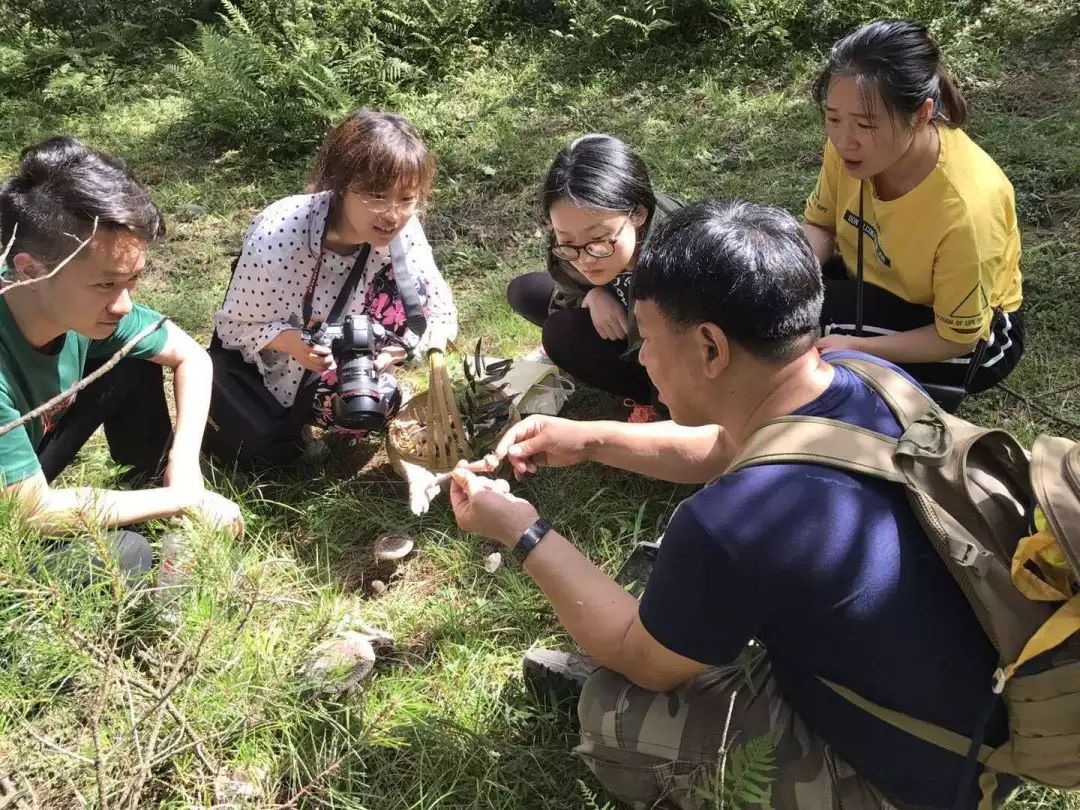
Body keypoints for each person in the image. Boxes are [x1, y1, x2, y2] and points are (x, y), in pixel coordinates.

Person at [451, 200, 1013, 809]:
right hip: (991, 716)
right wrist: (589, 439)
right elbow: (727, 448)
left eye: (649, 338)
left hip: (924, 785)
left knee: (614, 711)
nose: (641, 358)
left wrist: (523, 532)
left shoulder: (731, 525)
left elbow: (642, 659)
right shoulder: (864, 373)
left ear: (711, 348)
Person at [0, 137, 242, 579]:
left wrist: (182, 472)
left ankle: (151, 489)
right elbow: (34, 514)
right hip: (12, 517)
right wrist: (186, 500)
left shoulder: (72, 304)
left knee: (133, 354)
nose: (125, 304)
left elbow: (192, 357)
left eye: (133, 281)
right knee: (124, 556)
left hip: (26, 468)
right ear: (30, 269)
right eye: (106, 285)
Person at [212, 109, 457, 459]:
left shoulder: (404, 230)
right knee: (354, 412)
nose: (392, 214)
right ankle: (294, 415)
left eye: (406, 199)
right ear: (341, 185)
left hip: (349, 338)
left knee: (377, 402)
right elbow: (233, 329)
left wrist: (406, 347)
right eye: (376, 195)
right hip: (283, 359)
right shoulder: (280, 236)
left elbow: (438, 306)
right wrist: (295, 344)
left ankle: (366, 373)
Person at [803, 20, 1024, 400]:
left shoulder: (966, 209)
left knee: (798, 331)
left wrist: (860, 348)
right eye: (833, 118)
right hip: (879, 284)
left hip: (973, 340)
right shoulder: (849, 149)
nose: (843, 140)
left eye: (865, 124)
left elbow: (956, 337)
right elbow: (819, 225)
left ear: (921, 115)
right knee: (766, 295)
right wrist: (786, 279)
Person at [505, 134, 681, 416]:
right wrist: (592, 294)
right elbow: (568, 281)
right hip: (626, 318)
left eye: (598, 241)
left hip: (671, 349)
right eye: (566, 240)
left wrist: (667, 408)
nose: (584, 260)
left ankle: (646, 393)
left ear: (638, 214)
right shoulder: (576, 231)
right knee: (523, 291)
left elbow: (694, 352)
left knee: (560, 334)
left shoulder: (676, 257)